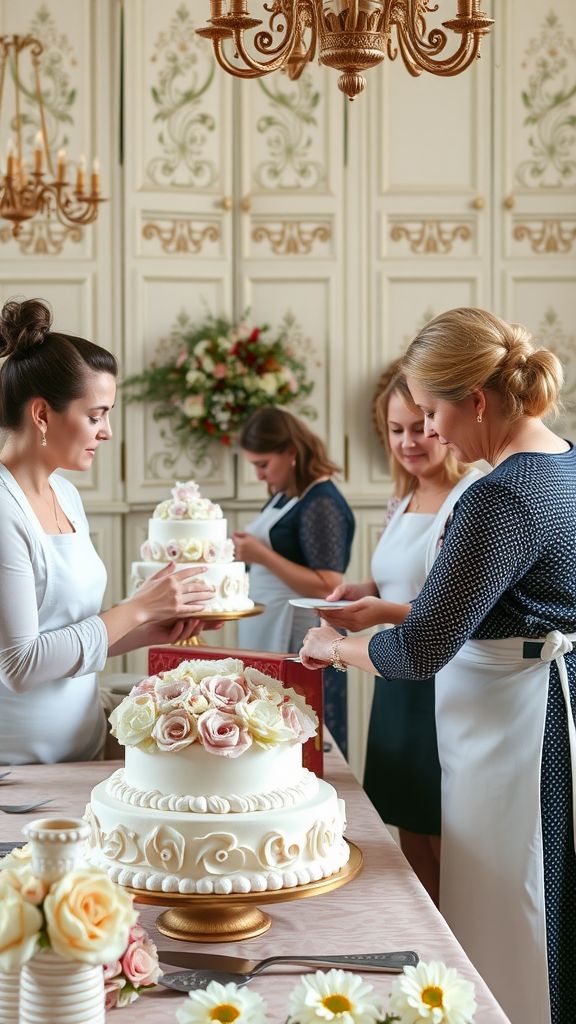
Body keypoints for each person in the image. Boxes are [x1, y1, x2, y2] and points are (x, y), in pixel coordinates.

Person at [300, 307, 575, 1024]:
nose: (431, 433)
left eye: (432, 413)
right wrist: (388, 613)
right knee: (540, 893)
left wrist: (333, 648)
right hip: (539, 707)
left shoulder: (500, 495)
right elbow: (496, 609)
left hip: (510, 732)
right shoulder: (564, 464)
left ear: (476, 401)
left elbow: (421, 650)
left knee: (508, 901)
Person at [0, 297, 216, 765]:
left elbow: (74, 637)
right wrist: (135, 608)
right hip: (21, 771)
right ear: (41, 415)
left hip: (82, 749)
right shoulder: (3, 510)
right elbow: (19, 665)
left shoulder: (67, 495)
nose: (108, 431)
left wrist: (156, 627)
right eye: (96, 415)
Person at [318, 362, 483, 904]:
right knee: (409, 824)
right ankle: (429, 927)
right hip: (393, 677)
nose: (408, 441)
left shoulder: (469, 499)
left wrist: (379, 612)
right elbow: (398, 579)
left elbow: (453, 610)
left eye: (420, 425)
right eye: (396, 430)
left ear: (443, 424)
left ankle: (453, 944)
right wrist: (355, 590)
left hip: (438, 676)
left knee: (442, 829)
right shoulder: (403, 500)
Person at [232, 407, 355, 751]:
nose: (258, 475)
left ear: (291, 452)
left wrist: (260, 554)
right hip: (273, 629)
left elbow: (328, 585)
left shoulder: (322, 503)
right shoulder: (286, 494)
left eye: (262, 464)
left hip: (303, 643)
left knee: (305, 740)